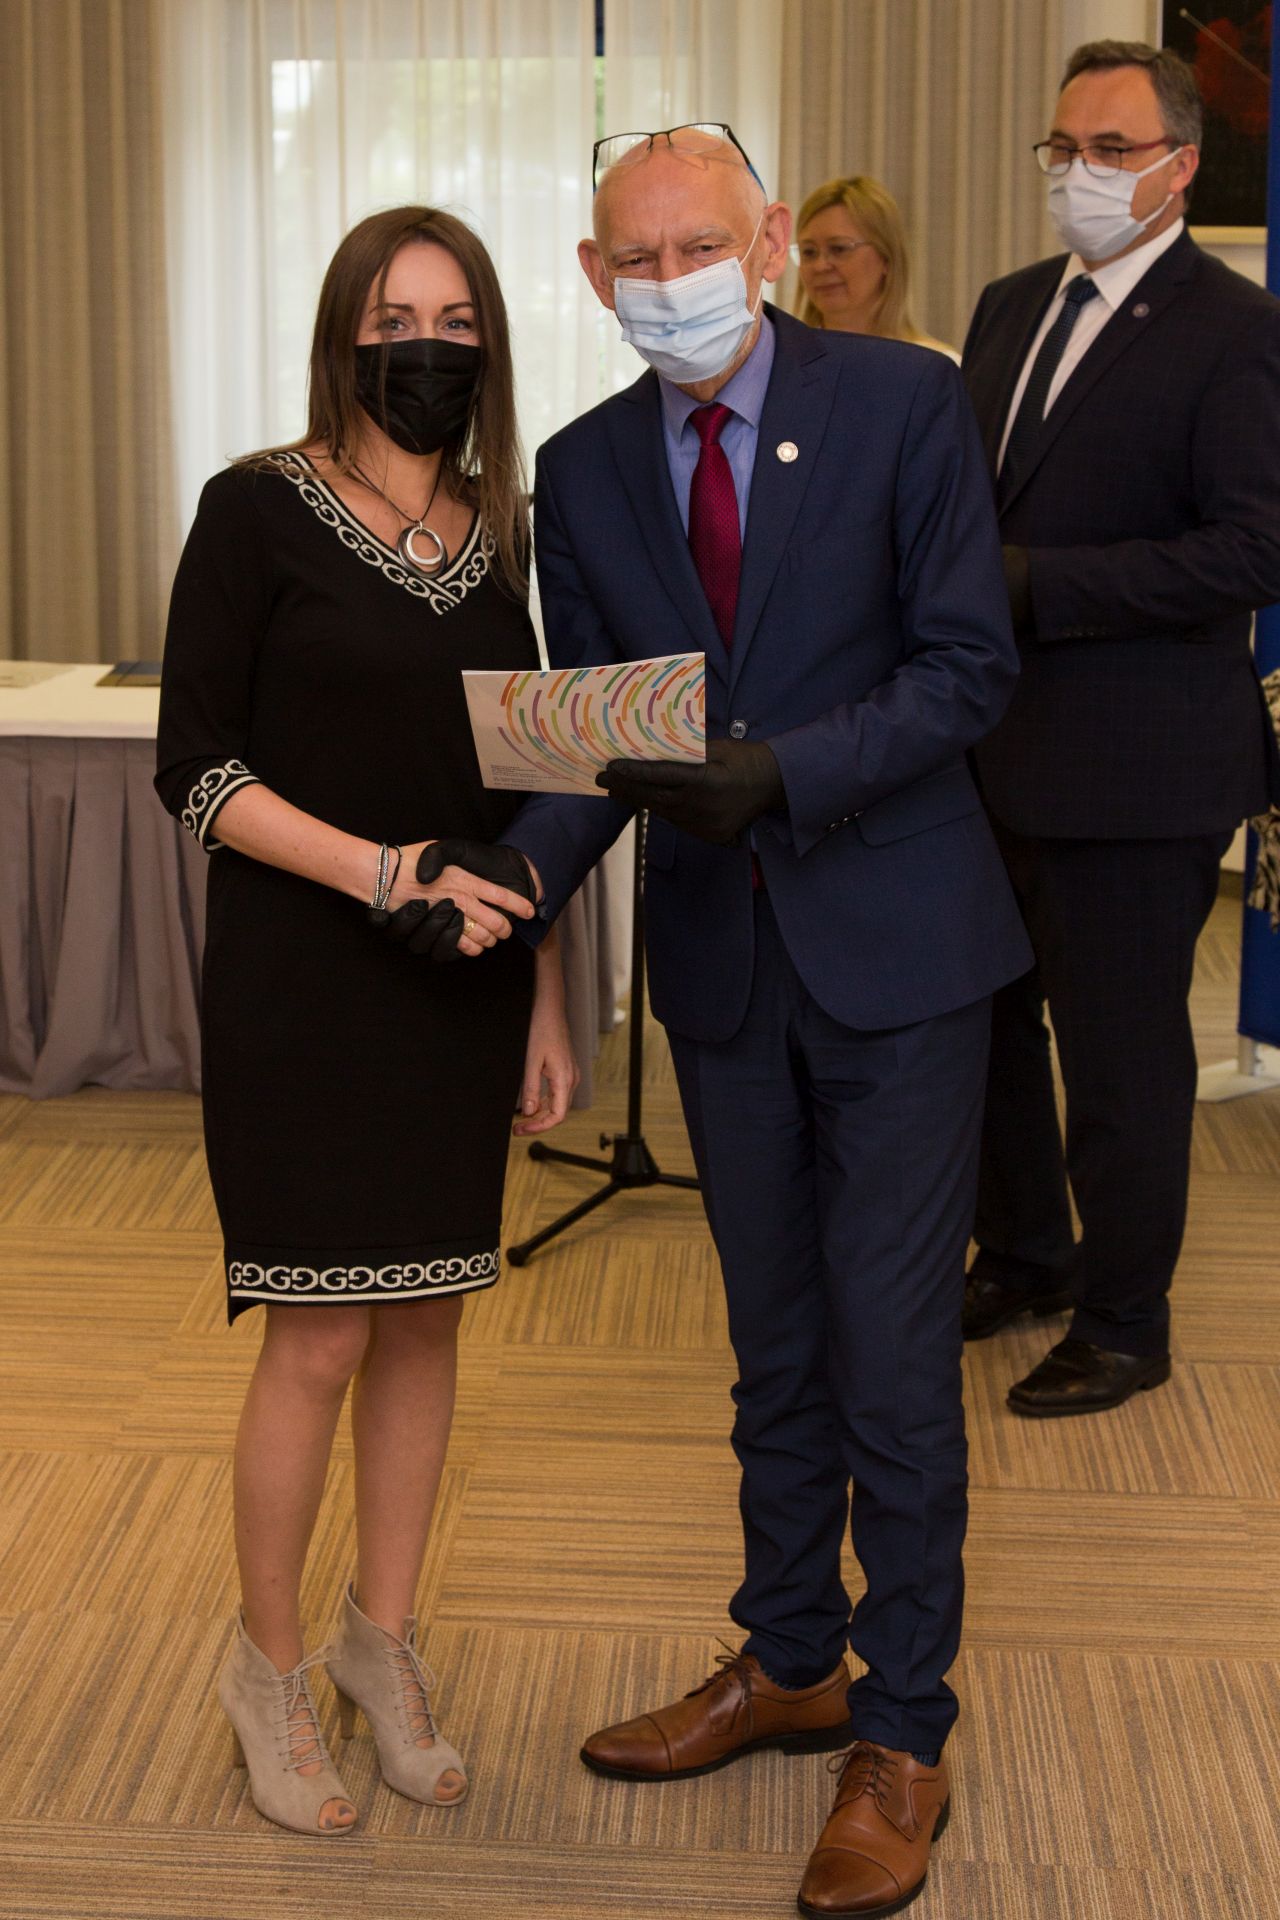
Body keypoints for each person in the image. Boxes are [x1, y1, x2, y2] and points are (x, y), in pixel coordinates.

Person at [498, 124, 1032, 1918]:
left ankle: (904, 1728)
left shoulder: (904, 404)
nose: (671, 283)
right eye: (635, 260)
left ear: (773, 238)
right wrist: (507, 886)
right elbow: (592, 737)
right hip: (721, 972)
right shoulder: (580, 469)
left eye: (698, 246)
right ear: (596, 277)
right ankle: (793, 1656)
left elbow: (969, 667)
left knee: (894, 1357)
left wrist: (784, 772)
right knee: (773, 1343)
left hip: (901, 958)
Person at [155, 206, 578, 1837]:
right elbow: (195, 768)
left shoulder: (503, 534)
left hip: (463, 983)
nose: (426, 346)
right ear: (344, 333)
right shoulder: (254, 508)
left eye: (456, 321)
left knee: (429, 1319)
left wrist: (545, 995)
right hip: (303, 975)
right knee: (320, 1331)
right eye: (396, 317)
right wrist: (376, 870)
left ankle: (375, 1642)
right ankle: (264, 1667)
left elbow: (533, 783)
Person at [960, 42, 1280, 1415]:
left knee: (1117, 1060)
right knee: (984, 1028)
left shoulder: (1238, 327)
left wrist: (1038, 586)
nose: (1077, 173)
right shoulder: (1007, 304)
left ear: (1180, 167)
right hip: (985, 751)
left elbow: (1252, 551)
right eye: (1062, 148)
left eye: (1110, 150)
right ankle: (1026, 1253)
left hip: (1140, 768)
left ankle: (1125, 1318)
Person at [793, 173, 959, 359]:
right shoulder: (783, 359)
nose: (820, 266)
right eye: (808, 252)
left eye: (839, 248)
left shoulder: (933, 364)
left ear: (886, 257)